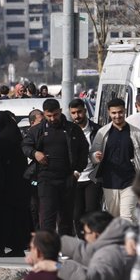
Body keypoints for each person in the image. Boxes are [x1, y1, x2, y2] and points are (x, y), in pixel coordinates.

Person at [23, 99, 89, 236]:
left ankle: (65, 248)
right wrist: (35, 153)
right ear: (44, 114)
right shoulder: (37, 130)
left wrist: (77, 172)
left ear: (60, 111)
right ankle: (47, 248)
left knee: (66, 216)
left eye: (55, 115)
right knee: (47, 216)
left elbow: (84, 150)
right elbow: (25, 146)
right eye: (49, 116)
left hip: (67, 178)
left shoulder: (72, 129)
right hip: (45, 178)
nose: (53, 118)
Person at [90, 98, 140, 222]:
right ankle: (119, 241)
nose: (117, 116)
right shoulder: (103, 132)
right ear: (109, 113)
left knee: (127, 217)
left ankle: (129, 241)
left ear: (125, 111)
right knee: (114, 219)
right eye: (114, 113)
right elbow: (92, 155)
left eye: (120, 112)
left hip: (131, 182)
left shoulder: (136, 133)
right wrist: (96, 156)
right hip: (109, 183)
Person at [0, 111, 31, 256]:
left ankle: (0, 247)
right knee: (18, 218)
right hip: (19, 186)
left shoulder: (2, 140)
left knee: (2, 218)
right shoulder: (15, 136)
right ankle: (18, 247)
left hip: (4, 187)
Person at [69, 99, 102, 225]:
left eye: (79, 112)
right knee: (77, 214)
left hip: (92, 177)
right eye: (73, 113)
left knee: (92, 212)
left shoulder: (97, 129)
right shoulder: (68, 131)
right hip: (74, 178)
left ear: (85, 111)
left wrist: (98, 156)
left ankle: (92, 240)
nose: (77, 116)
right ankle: (82, 239)